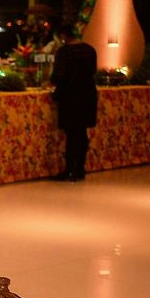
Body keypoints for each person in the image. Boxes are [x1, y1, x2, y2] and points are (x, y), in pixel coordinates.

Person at [50, 26, 97, 182]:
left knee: (71, 133)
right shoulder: (90, 50)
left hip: (70, 96)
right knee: (82, 132)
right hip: (88, 94)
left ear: (63, 36)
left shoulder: (64, 52)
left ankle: (70, 170)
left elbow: (58, 76)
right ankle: (80, 168)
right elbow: (93, 71)